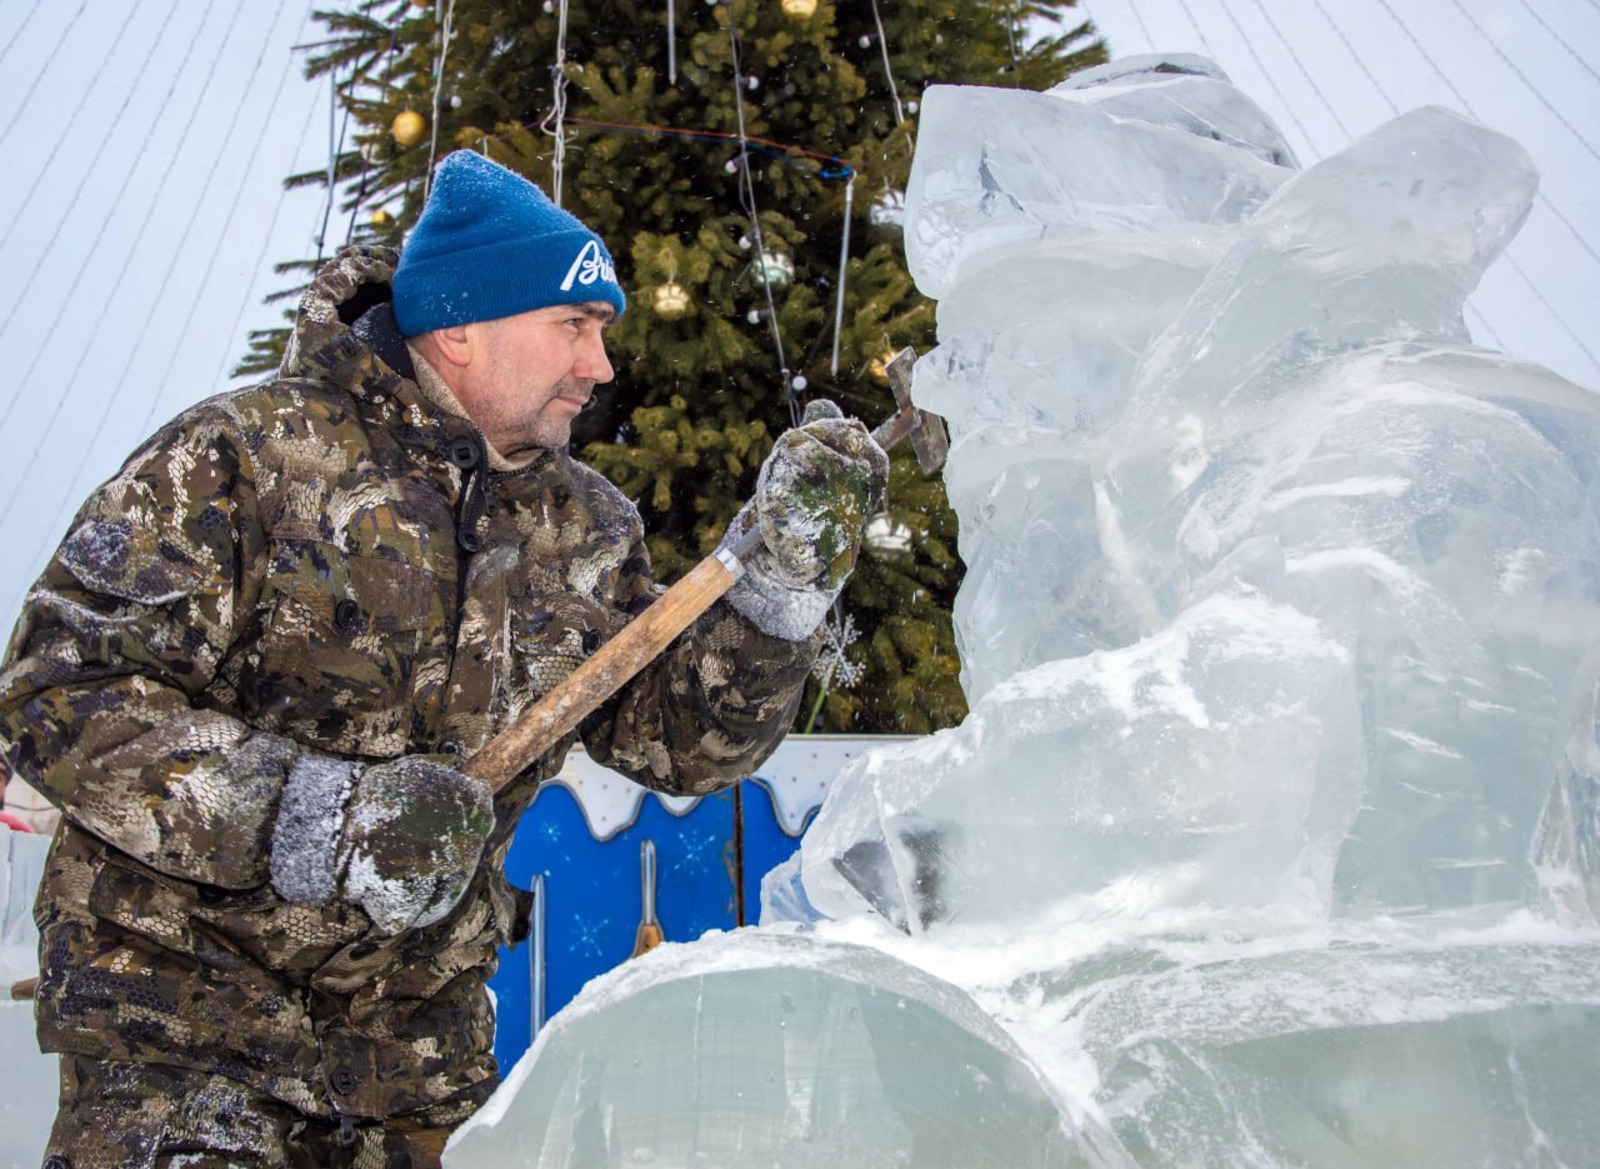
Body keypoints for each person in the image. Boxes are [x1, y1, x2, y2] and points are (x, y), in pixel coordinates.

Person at [0, 150, 887, 1168]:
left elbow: (682, 746)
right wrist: (318, 819)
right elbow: (59, 687)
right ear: (461, 325)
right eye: (574, 327)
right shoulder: (243, 459)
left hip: (414, 1063)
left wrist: (778, 595)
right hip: (185, 1036)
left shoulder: (584, 527)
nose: (598, 366)